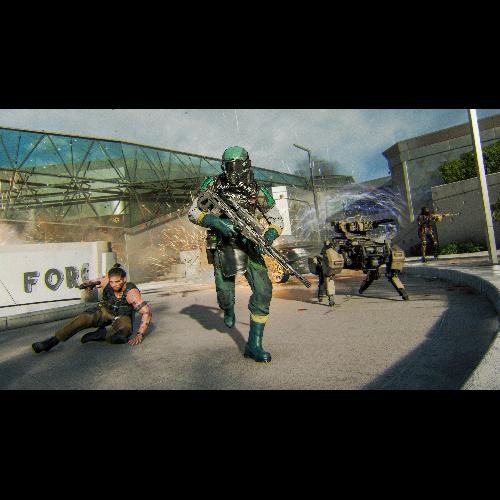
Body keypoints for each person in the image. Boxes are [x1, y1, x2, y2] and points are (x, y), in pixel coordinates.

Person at [188, 146, 284, 363]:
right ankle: (228, 308)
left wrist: (269, 235)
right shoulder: (213, 185)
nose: (234, 171)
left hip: (249, 245)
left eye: (238, 165)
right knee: (224, 295)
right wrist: (215, 221)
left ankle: (254, 345)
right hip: (223, 245)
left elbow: (277, 220)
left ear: (247, 164)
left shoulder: (257, 190)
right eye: (229, 166)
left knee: (263, 291)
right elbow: (193, 212)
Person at [32, 263, 152, 353]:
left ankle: (102, 334)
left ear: (124, 279)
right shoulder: (106, 282)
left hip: (122, 316)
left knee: (121, 337)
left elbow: (146, 313)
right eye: (112, 282)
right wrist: (89, 287)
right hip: (105, 311)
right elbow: (93, 283)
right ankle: (52, 341)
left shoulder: (131, 293)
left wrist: (139, 334)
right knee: (83, 319)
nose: (114, 285)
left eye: (118, 281)